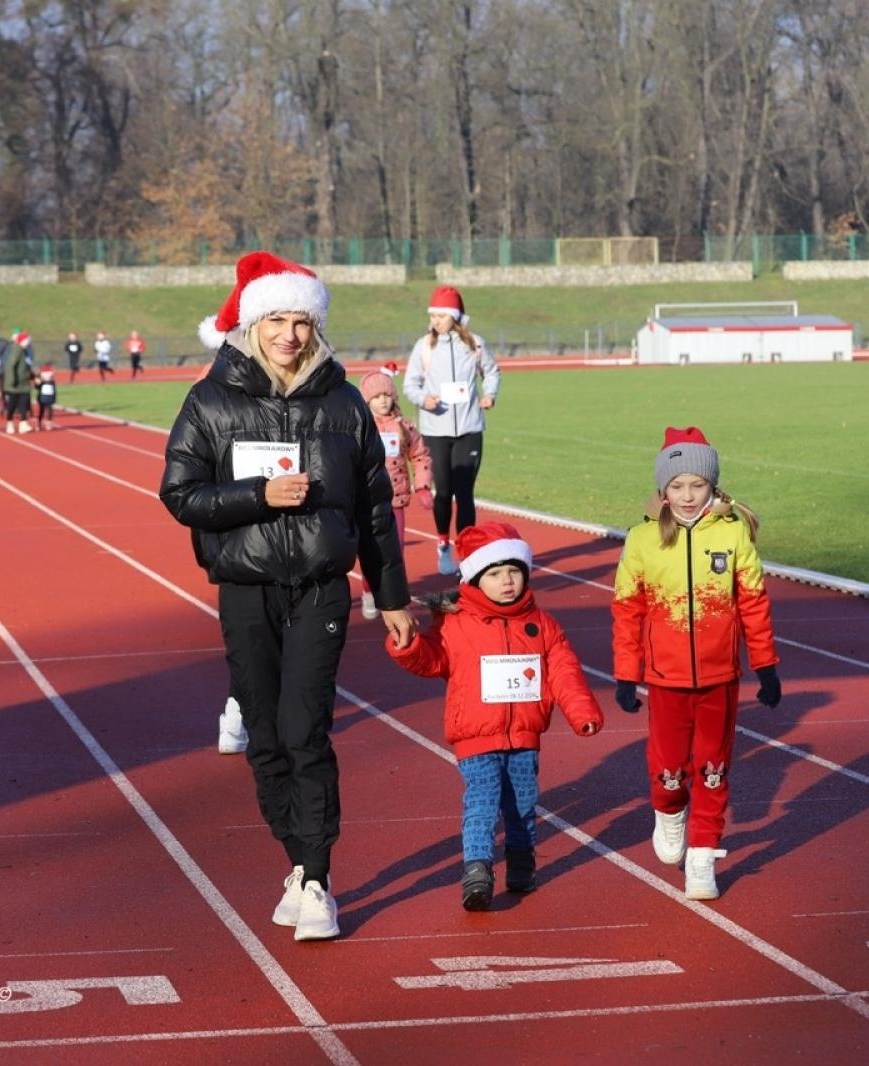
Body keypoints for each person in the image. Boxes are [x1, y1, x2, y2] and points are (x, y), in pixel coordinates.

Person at [160, 251, 414, 942]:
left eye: (302, 320)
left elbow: (374, 508)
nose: (290, 334)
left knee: (307, 730)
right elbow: (180, 495)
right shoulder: (210, 400)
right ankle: (297, 862)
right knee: (267, 739)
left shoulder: (344, 402)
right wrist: (256, 496)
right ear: (252, 322)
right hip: (246, 592)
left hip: (320, 591)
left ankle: (317, 878)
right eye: (277, 319)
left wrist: (391, 595)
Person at [386, 522, 602, 909]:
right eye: (496, 573)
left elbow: (564, 672)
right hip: (475, 737)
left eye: (514, 572)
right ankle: (477, 872)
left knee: (522, 804)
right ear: (475, 578)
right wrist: (406, 646)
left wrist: (582, 711)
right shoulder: (454, 624)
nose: (507, 581)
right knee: (482, 802)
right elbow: (430, 659)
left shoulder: (543, 626)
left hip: (524, 737)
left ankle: (521, 864)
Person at [610, 427, 782, 901]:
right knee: (667, 769)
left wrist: (765, 665)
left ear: (713, 487)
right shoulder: (643, 541)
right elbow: (627, 612)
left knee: (713, 768)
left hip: (719, 679)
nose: (688, 496)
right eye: (678, 486)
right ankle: (669, 813)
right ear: (662, 490)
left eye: (697, 486)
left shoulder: (732, 536)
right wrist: (626, 673)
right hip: (664, 680)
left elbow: (754, 605)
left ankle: (703, 856)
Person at [403, 286, 500, 576]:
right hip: (436, 429)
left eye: (441, 315)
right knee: (443, 493)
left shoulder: (475, 345)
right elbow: (410, 385)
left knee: (465, 493)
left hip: (469, 428)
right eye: (432, 315)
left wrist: (489, 394)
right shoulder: (424, 347)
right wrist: (424, 400)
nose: (435, 321)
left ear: (455, 317)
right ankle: (443, 542)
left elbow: (492, 371)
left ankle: (468, 555)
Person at [357, 369, 433, 620]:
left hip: (396, 499)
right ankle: (369, 591)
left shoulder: (404, 426)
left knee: (396, 550)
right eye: (376, 396)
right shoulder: (360, 426)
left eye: (387, 395)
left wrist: (422, 486)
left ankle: (393, 597)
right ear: (367, 400)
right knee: (370, 547)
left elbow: (420, 455)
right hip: (367, 499)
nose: (382, 401)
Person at [2, 330, 36, 435]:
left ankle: (23, 423)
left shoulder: (25, 351)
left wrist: (33, 376)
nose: (28, 342)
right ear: (22, 340)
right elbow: (11, 365)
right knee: (12, 405)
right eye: (27, 340)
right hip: (15, 384)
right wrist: (11, 380)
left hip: (24, 383)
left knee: (24, 404)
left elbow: (26, 366)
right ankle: (9, 422)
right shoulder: (16, 350)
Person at [35, 361, 58, 431]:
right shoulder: (41, 381)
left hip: (50, 397)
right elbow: (36, 387)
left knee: (50, 410)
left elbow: (54, 390)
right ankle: (39, 423)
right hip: (42, 397)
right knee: (41, 410)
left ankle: (49, 422)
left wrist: (54, 398)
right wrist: (38, 381)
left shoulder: (52, 382)